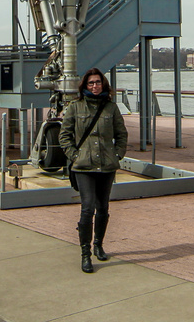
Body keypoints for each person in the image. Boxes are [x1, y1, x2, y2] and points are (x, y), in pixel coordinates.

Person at [59, 67, 127, 273]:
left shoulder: (111, 108)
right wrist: (74, 156)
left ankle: (98, 244)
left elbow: (121, 134)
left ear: (103, 85)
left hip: (106, 166)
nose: (95, 86)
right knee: (87, 207)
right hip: (84, 166)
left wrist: (117, 154)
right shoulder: (75, 107)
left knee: (103, 207)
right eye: (91, 83)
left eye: (98, 83)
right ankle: (85, 253)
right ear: (85, 86)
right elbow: (64, 136)